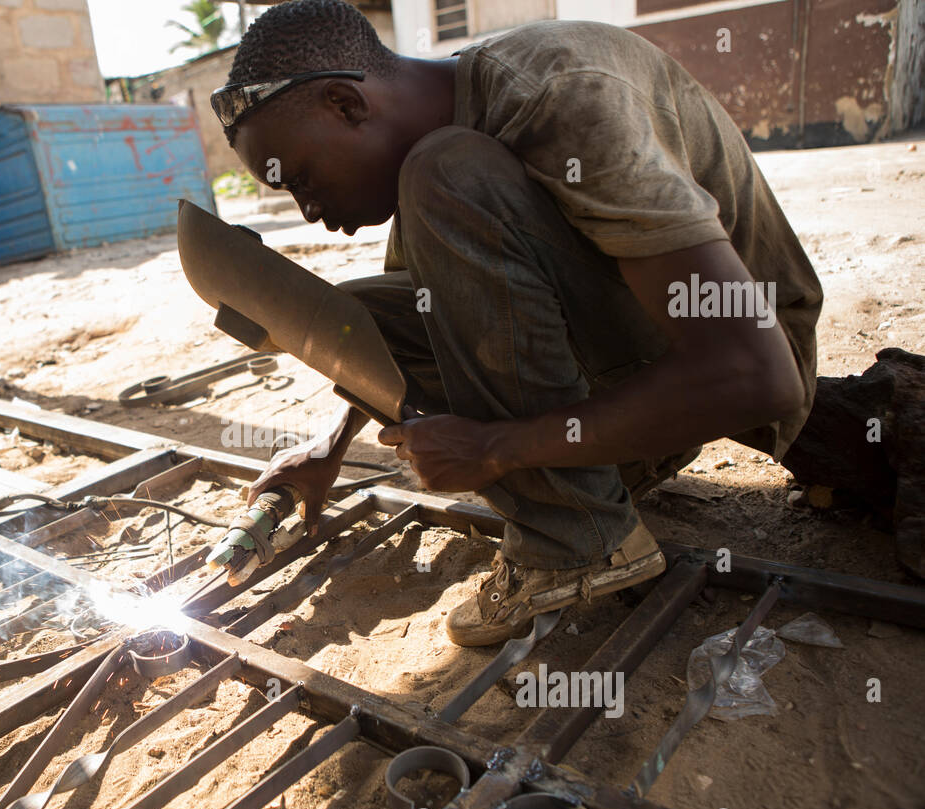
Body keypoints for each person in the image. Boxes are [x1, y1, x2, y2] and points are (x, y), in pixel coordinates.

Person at [210, 0, 821, 646]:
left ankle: (575, 537)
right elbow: (402, 323)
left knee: (442, 171)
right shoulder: (445, 145)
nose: (308, 210)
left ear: (346, 104)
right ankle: (591, 478)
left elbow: (759, 375)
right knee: (355, 315)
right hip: (640, 362)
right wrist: (330, 450)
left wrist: (498, 449)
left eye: (302, 178)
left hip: (737, 365)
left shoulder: (550, 97)